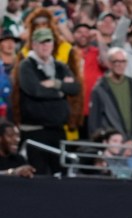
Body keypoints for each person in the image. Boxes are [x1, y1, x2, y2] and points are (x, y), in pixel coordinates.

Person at [16, 27, 81, 174]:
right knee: (38, 175)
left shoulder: (60, 66)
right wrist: (61, 91)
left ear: (53, 44)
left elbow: (75, 88)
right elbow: (35, 90)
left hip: (58, 129)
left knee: (60, 174)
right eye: (41, 42)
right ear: (34, 45)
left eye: (48, 42)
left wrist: (56, 84)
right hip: (35, 131)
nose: (45, 46)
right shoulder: (26, 66)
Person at [88, 47, 132, 171]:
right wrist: (104, 147)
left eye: (123, 61)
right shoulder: (100, 88)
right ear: (109, 63)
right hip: (112, 149)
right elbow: (94, 122)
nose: (120, 65)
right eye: (116, 62)